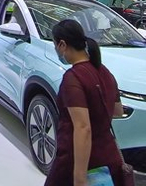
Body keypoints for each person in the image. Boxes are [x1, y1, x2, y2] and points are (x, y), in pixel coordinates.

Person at [46, 19, 125, 186]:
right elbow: (118, 111)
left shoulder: (73, 78)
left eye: (55, 45)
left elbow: (83, 128)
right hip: (108, 156)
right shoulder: (104, 71)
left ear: (62, 44)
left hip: (80, 160)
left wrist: (79, 177)